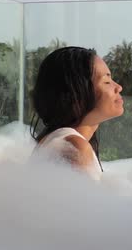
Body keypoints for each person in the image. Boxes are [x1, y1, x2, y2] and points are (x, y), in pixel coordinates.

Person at [30, 46, 124, 179]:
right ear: (75, 95)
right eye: (107, 81)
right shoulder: (74, 148)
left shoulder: (57, 141)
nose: (119, 87)